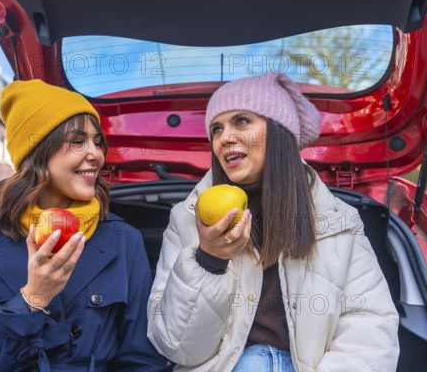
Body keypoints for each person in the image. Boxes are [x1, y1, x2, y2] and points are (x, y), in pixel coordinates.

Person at [147, 73, 399, 371]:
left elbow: (369, 331)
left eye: (241, 121)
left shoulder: (339, 220)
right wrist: (208, 259)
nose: (224, 137)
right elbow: (178, 348)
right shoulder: (187, 217)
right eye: (216, 129)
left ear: (280, 133)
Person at [0, 80, 167, 371]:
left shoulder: (122, 239)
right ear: (38, 150)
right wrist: (31, 300)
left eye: (97, 141)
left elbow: (142, 361)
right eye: (78, 141)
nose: (96, 154)